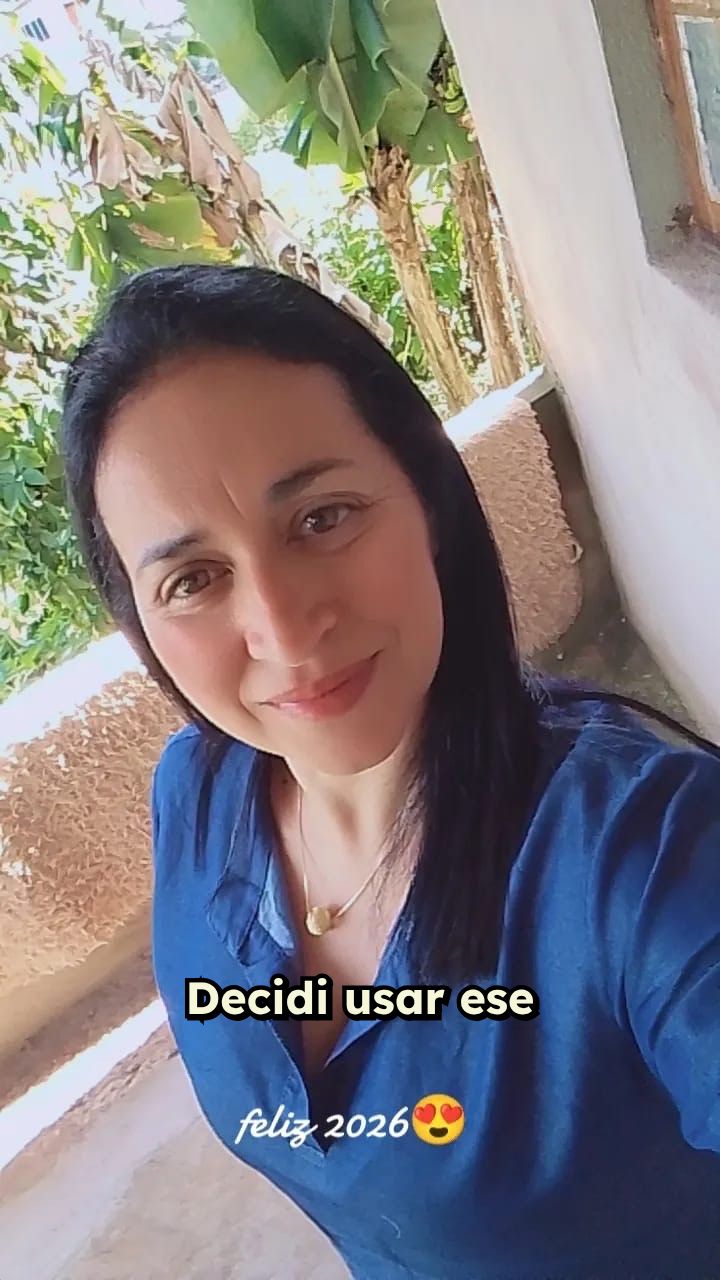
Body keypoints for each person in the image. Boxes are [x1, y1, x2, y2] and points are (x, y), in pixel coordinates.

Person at [60, 263, 720, 1280]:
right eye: (194, 577)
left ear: (430, 499)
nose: (285, 630)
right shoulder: (196, 798)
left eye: (321, 517)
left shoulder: (648, 858)